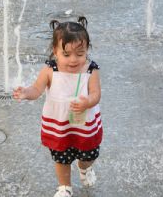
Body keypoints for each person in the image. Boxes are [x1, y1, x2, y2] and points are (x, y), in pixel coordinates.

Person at [13, 17, 102, 197]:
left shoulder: (90, 70)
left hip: (84, 125)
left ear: (87, 50)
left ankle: (84, 169)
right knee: (61, 158)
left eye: (80, 53)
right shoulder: (50, 70)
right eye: (66, 54)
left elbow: (96, 94)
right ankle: (64, 187)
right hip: (59, 126)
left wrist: (87, 102)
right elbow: (37, 89)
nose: (73, 60)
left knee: (88, 155)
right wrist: (26, 93)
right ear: (55, 52)